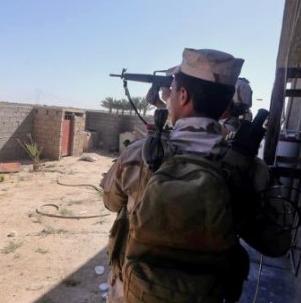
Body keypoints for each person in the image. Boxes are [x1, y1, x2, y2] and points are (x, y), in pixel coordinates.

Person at [102, 48, 266, 302]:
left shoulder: (137, 154)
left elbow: (111, 201)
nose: (167, 99)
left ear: (183, 95)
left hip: (135, 292)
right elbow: (276, 243)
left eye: (172, 91)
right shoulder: (247, 167)